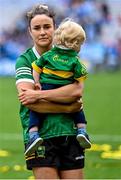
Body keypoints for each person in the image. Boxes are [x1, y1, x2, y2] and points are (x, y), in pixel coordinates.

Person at [16, 4, 86, 179]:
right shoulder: (25, 61)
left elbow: (76, 92)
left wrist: (39, 94)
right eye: (37, 28)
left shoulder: (69, 56)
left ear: (55, 29)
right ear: (29, 31)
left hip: (71, 133)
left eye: (47, 27)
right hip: (39, 137)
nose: (42, 32)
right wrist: (68, 108)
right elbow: (29, 101)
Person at [25, 19, 91, 156]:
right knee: (78, 106)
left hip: (46, 86)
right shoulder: (75, 60)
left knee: (36, 110)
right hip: (64, 90)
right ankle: (82, 130)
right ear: (75, 43)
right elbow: (80, 80)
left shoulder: (49, 55)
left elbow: (36, 67)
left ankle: (33, 134)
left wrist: (36, 82)